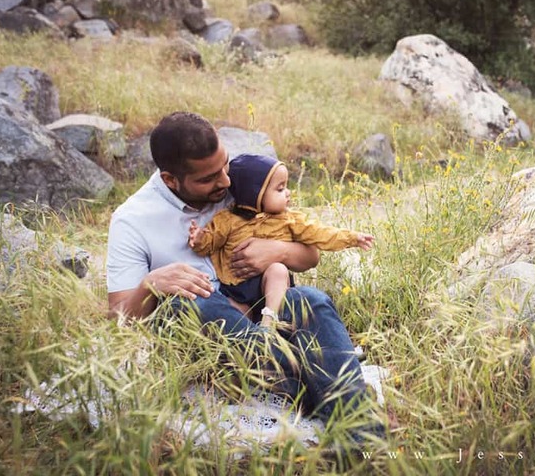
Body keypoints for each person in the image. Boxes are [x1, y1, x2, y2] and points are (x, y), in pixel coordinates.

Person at [106, 111, 383, 451]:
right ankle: (319, 382)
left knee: (308, 299)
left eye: (224, 166)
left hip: (264, 312)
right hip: (211, 333)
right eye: (209, 178)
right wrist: (151, 283)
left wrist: (276, 249)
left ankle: (362, 440)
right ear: (170, 179)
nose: (224, 182)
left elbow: (310, 258)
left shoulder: (239, 184)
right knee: (193, 300)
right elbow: (118, 317)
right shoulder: (132, 220)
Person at [188, 153, 374, 330]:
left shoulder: (288, 219)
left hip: (271, 285)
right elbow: (211, 240)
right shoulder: (227, 220)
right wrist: (199, 239)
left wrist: (352, 238)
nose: (288, 193)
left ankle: (269, 321)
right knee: (235, 318)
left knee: (277, 270)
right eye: (280, 189)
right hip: (236, 288)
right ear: (254, 194)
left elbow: (320, 232)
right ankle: (252, 343)